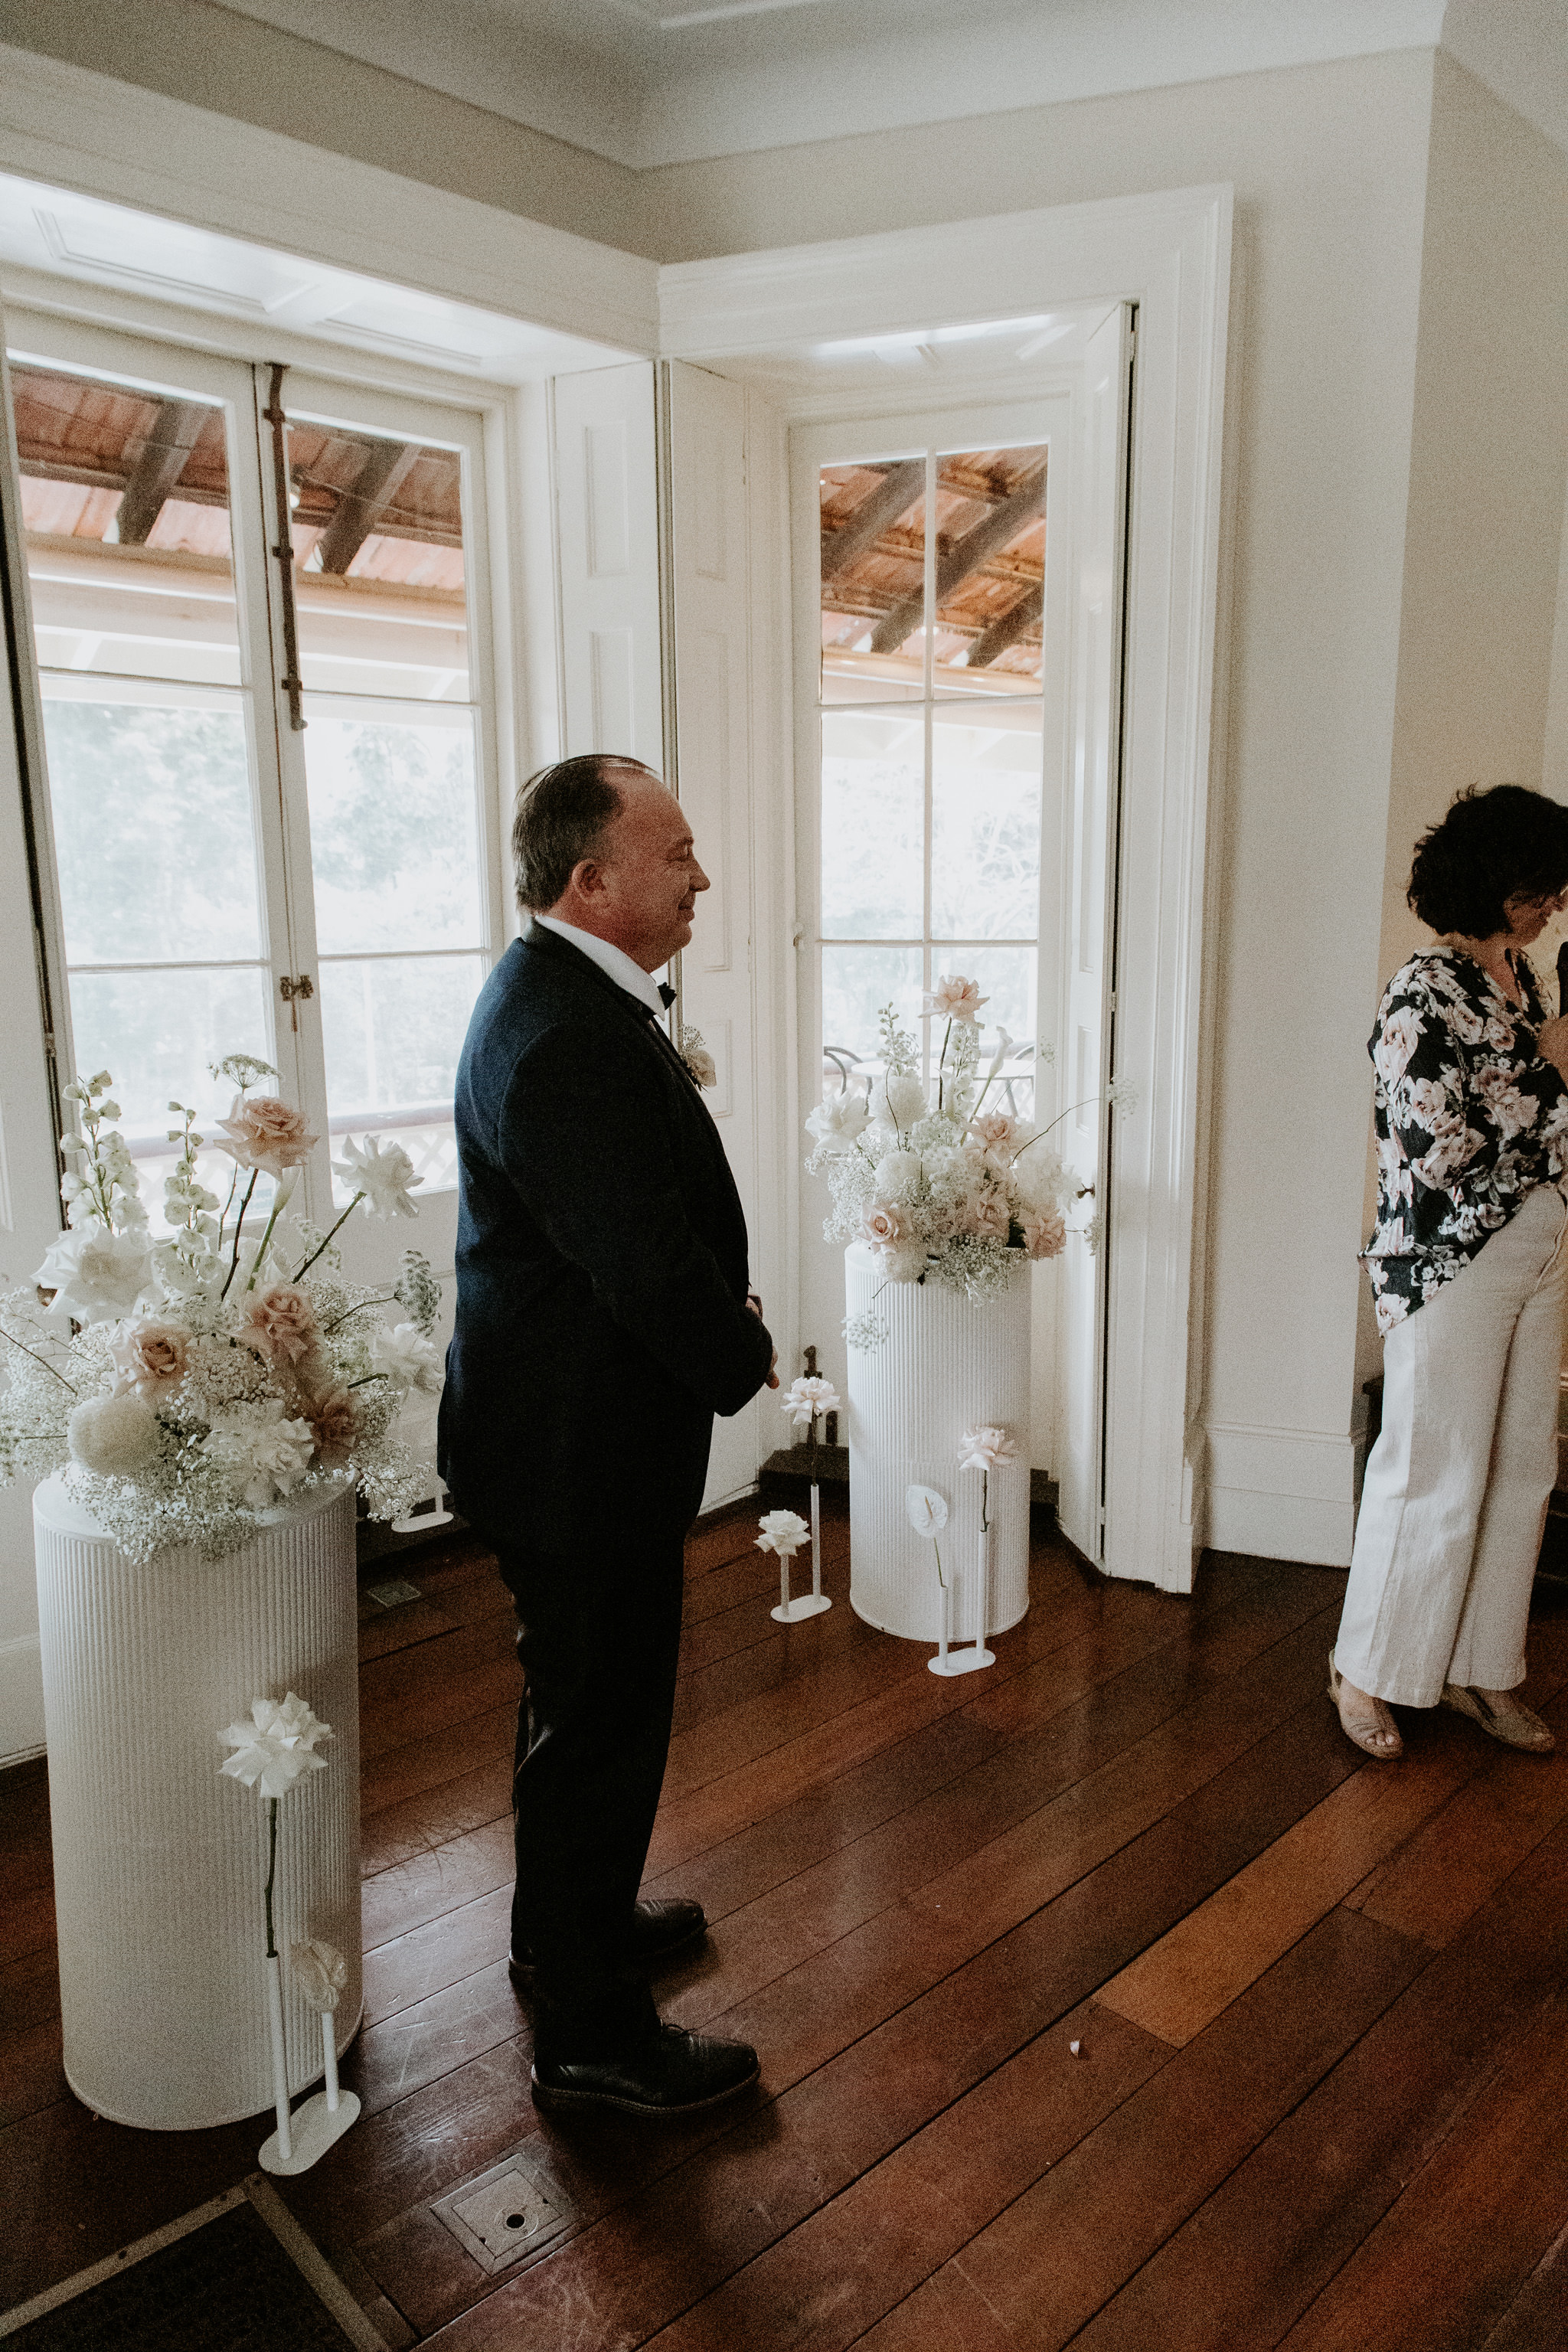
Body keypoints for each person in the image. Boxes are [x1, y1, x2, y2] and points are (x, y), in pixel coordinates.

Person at [438, 752, 778, 2116]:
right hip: (575, 1455)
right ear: (590, 880)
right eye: (676, 854)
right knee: (599, 1729)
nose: (703, 878)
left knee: (578, 1712)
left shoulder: (562, 994)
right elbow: (640, 1261)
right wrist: (743, 1350)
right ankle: (589, 2036)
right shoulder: (565, 1034)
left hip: (562, 1436)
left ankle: (563, 1932)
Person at [1333, 783, 1568, 1762]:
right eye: (1537, 890)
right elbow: (1437, 1151)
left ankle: (1478, 1666)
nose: (1551, 906)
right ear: (1488, 883)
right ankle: (1364, 1671)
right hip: (1446, 1257)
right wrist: (1552, 1071)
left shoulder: (1523, 977)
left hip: (1540, 1238)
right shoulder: (1420, 992)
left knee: (1521, 1467)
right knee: (1430, 1469)